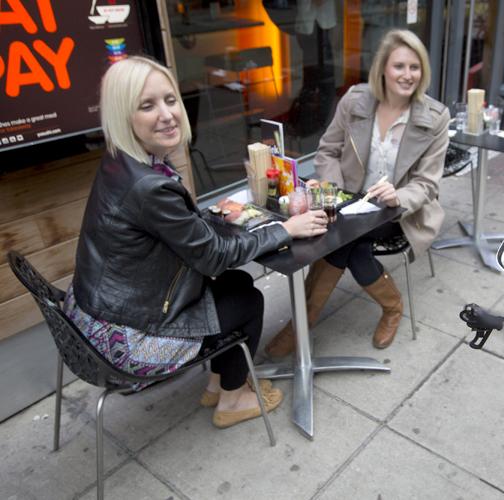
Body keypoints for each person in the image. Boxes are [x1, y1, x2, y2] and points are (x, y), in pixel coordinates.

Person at [64, 56, 329, 429]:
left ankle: (218, 384)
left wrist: (212, 218)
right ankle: (232, 401)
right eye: (147, 105)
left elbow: (167, 229)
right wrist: (287, 229)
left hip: (96, 313)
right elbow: (214, 258)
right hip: (124, 338)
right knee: (248, 299)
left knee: (235, 287)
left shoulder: (122, 161)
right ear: (124, 116)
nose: (167, 114)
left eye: (170, 100)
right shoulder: (149, 185)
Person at [265, 29, 449, 357]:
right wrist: (336, 190)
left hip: (399, 211)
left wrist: (398, 196)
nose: (408, 75)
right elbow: (327, 151)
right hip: (348, 201)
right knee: (354, 246)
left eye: (415, 67)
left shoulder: (434, 117)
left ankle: (300, 326)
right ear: (382, 68)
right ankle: (392, 306)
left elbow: (427, 183)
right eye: (399, 66)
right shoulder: (355, 101)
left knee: (342, 241)